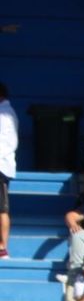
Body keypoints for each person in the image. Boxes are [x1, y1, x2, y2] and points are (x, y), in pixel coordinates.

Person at [0, 82, 14, 259]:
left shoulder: (6, 116)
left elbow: (9, 143)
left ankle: (2, 247)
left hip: (0, 168)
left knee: (1, 209)